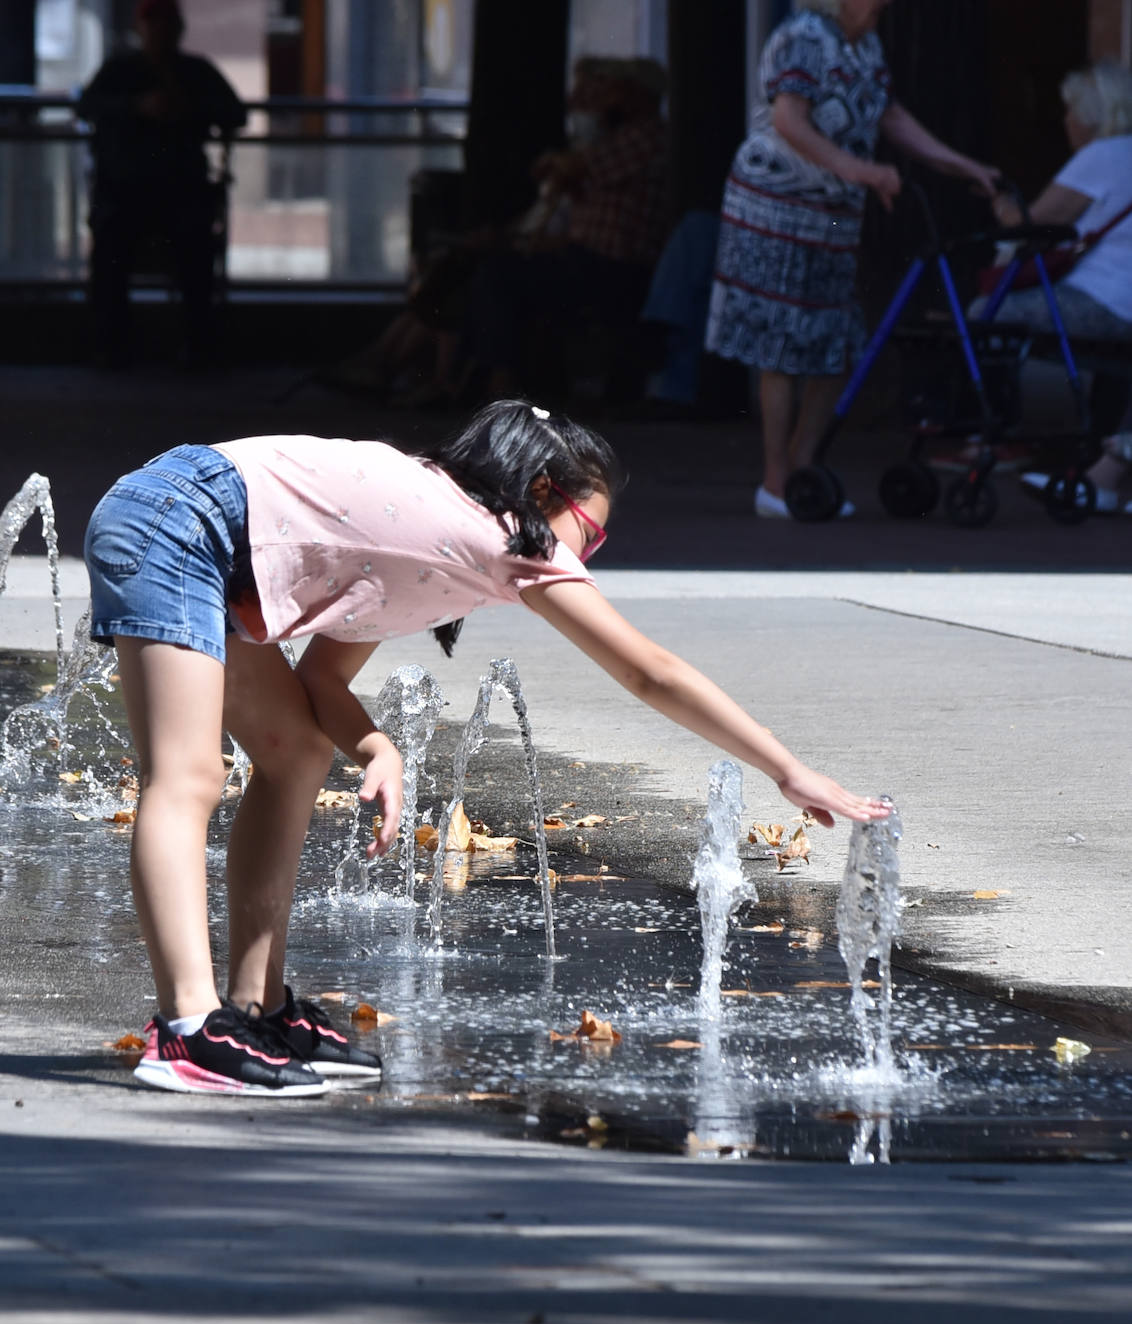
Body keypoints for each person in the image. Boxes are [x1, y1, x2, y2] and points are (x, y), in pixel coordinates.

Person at [83, 399, 892, 1097]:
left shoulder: (423, 539)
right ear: (543, 493)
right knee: (186, 775)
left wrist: (376, 749)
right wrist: (786, 769)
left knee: (295, 751)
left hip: (188, 520)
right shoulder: (497, 535)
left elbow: (325, 681)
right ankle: (187, 1030)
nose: (584, 556)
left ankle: (254, 1011)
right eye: (591, 534)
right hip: (177, 521)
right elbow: (650, 673)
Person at [704, 0, 998, 519]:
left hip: (834, 212)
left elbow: (891, 115)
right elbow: (789, 120)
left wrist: (963, 166)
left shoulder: (866, 43)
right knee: (782, 343)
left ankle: (802, 471)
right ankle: (776, 482)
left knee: (838, 341)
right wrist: (863, 170)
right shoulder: (805, 36)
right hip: (775, 206)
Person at [462, 58, 670, 401]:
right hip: (587, 257)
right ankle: (473, 378)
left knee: (499, 275)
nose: (605, 98)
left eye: (613, 90)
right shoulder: (615, 136)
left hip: (613, 266)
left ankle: (497, 383)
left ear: (636, 94)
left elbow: (573, 168)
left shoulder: (646, 136)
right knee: (491, 271)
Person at [77, 0, 246, 369]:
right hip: (125, 193)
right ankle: (113, 346)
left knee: (196, 248)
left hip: (182, 194)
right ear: (141, 30)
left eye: (166, 26)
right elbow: (86, 105)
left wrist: (192, 107)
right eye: (154, 26)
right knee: (111, 248)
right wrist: (137, 106)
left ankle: (199, 347)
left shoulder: (194, 72)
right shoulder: (121, 70)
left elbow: (236, 112)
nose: (160, 34)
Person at [979, 61, 1132, 451]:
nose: (1066, 121)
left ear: (1089, 115)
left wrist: (1000, 201)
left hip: (1104, 300)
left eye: (1070, 110)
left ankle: (995, 437)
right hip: (1124, 303)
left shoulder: (1102, 155)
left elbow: (1027, 223)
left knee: (984, 313)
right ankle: (1102, 440)